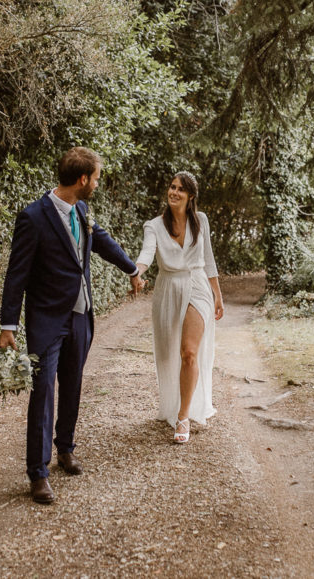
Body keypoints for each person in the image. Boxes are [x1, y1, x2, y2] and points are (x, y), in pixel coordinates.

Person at [0, 147, 145, 504]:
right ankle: (38, 472)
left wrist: (132, 268)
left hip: (81, 315)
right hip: (46, 320)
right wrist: (8, 325)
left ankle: (65, 447)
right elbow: (16, 274)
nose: (97, 183)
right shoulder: (33, 217)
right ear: (82, 179)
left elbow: (102, 242)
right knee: (43, 391)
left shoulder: (82, 209)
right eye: (95, 178)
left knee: (74, 383)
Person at [135, 171, 223, 444]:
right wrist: (136, 272)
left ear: (191, 196)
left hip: (197, 286)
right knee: (168, 353)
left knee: (188, 352)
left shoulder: (201, 221)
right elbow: (147, 253)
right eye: (171, 187)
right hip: (168, 289)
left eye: (180, 189)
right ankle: (174, 403)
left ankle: (183, 417)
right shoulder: (154, 225)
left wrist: (217, 295)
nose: (173, 192)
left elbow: (208, 260)